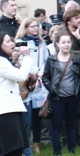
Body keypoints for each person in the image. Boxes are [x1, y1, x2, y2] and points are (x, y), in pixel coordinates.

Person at [42, 32, 80, 156]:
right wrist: (52, 89)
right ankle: (57, 151)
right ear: (57, 44)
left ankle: (72, 150)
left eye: (68, 42)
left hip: (73, 97)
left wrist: (79, 91)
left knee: (71, 124)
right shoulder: (52, 59)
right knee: (57, 125)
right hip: (57, 97)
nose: (66, 45)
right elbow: (45, 77)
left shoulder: (77, 58)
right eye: (63, 42)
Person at [16, 18, 48, 154]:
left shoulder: (42, 43)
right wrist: (34, 73)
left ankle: (36, 142)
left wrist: (42, 74)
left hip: (40, 81)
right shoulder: (20, 42)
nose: (36, 28)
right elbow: (21, 61)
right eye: (33, 26)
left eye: (37, 26)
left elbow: (45, 59)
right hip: (27, 81)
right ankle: (26, 143)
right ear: (26, 27)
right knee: (26, 116)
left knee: (38, 114)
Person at [0, 32, 33, 156]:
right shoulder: (1, 61)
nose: (12, 44)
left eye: (11, 41)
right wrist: (27, 57)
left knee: (16, 149)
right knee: (12, 150)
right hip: (6, 111)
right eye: (7, 41)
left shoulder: (4, 60)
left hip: (10, 109)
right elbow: (20, 76)